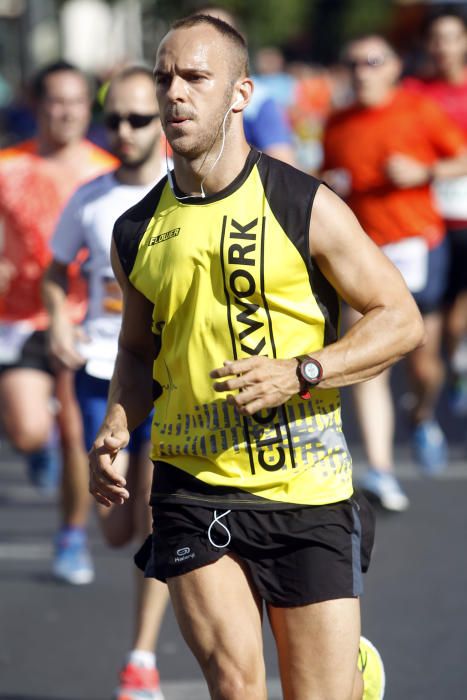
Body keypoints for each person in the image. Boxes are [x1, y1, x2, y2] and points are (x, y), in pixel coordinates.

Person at [88, 15, 424, 700]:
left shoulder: (302, 203)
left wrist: (303, 371)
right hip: (192, 482)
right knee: (237, 688)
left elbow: (400, 319)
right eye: (164, 79)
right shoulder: (137, 229)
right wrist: (117, 426)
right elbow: (136, 347)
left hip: (307, 493)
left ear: (239, 94)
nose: (174, 95)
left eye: (194, 78)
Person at [43, 66, 169, 700]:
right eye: (113, 118)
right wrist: (61, 321)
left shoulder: (186, 194)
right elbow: (55, 268)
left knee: (154, 516)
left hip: (169, 381)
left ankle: (140, 659)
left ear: (165, 119)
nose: (123, 130)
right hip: (103, 373)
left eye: (138, 118)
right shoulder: (91, 197)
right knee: (118, 527)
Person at [322, 34, 467, 510]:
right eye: (353, 61)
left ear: (393, 67)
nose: (361, 69)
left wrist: (425, 173)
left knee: (422, 362)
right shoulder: (337, 122)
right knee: (369, 362)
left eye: (372, 60)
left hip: (417, 245)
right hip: (362, 256)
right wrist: (328, 183)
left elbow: (461, 158)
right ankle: (381, 471)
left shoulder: (419, 110)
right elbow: (324, 180)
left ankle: (423, 412)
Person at [0, 60, 117, 582]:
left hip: (79, 318)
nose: (65, 111)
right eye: (55, 100)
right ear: (38, 105)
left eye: (75, 100)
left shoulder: (104, 169)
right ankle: (36, 446)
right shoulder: (8, 166)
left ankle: (71, 535)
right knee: (28, 431)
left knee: (77, 431)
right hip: (19, 317)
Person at [404, 10, 467, 414]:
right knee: (431, 316)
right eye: (436, 38)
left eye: (452, 37)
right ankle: (435, 381)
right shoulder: (412, 92)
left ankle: (458, 362)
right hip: (427, 218)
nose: (443, 46)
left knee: (457, 317)